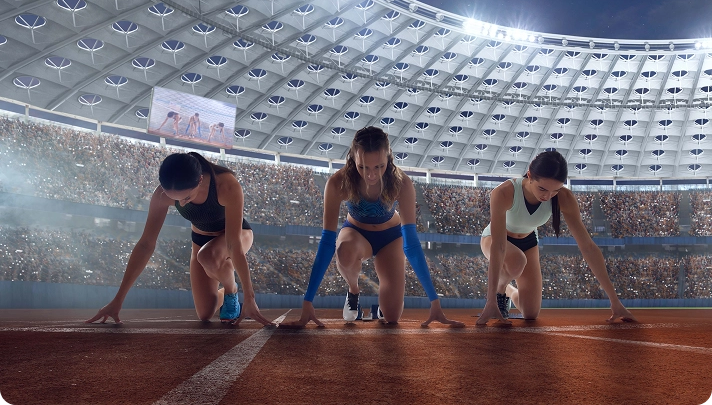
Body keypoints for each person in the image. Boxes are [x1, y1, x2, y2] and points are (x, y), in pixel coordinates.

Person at [282, 126, 463, 328]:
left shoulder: (402, 184)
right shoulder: (338, 183)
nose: (371, 175)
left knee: (393, 316)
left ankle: (381, 308)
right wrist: (308, 302)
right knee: (345, 252)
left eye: (379, 166)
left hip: (391, 238)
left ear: (389, 158)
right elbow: (326, 242)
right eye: (363, 167)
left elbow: (411, 244)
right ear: (352, 159)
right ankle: (353, 290)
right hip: (356, 234)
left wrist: (434, 301)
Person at [86, 152, 273, 326]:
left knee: (207, 256)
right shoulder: (161, 195)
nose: (182, 203)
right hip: (200, 241)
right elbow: (145, 244)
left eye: (187, 198)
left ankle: (232, 292)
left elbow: (233, 244)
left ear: (200, 180)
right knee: (205, 313)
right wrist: (117, 300)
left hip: (238, 234)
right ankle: (226, 290)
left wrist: (250, 297)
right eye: (175, 200)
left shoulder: (226, 186)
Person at [476, 150, 637, 325]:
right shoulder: (504, 192)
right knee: (516, 261)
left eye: (555, 191)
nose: (547, 196)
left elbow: (588, 247)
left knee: (530, 313)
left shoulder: (564, 198)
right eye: (542, 189)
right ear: (529, 175)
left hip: (529, 242)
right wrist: (491, 299)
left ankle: (508, 291)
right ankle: (500, 289)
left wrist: (614, 300)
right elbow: (499, 246)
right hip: (494, 238)